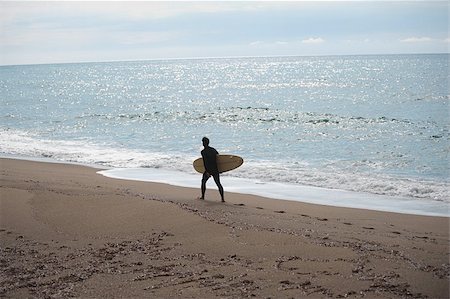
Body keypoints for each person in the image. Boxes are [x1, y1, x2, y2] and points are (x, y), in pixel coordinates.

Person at [199, 137, 224, 202]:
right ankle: (222, 199)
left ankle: (202, 196)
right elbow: (219, 159)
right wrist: (220, 169)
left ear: (204, 143)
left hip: (209, 170)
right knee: (218, 183)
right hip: (215, 170)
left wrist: (207, 172)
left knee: (203, 182)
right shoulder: (213, 150)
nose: (203, 143)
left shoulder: (203, 152)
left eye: (203, 142)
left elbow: (205, 162)